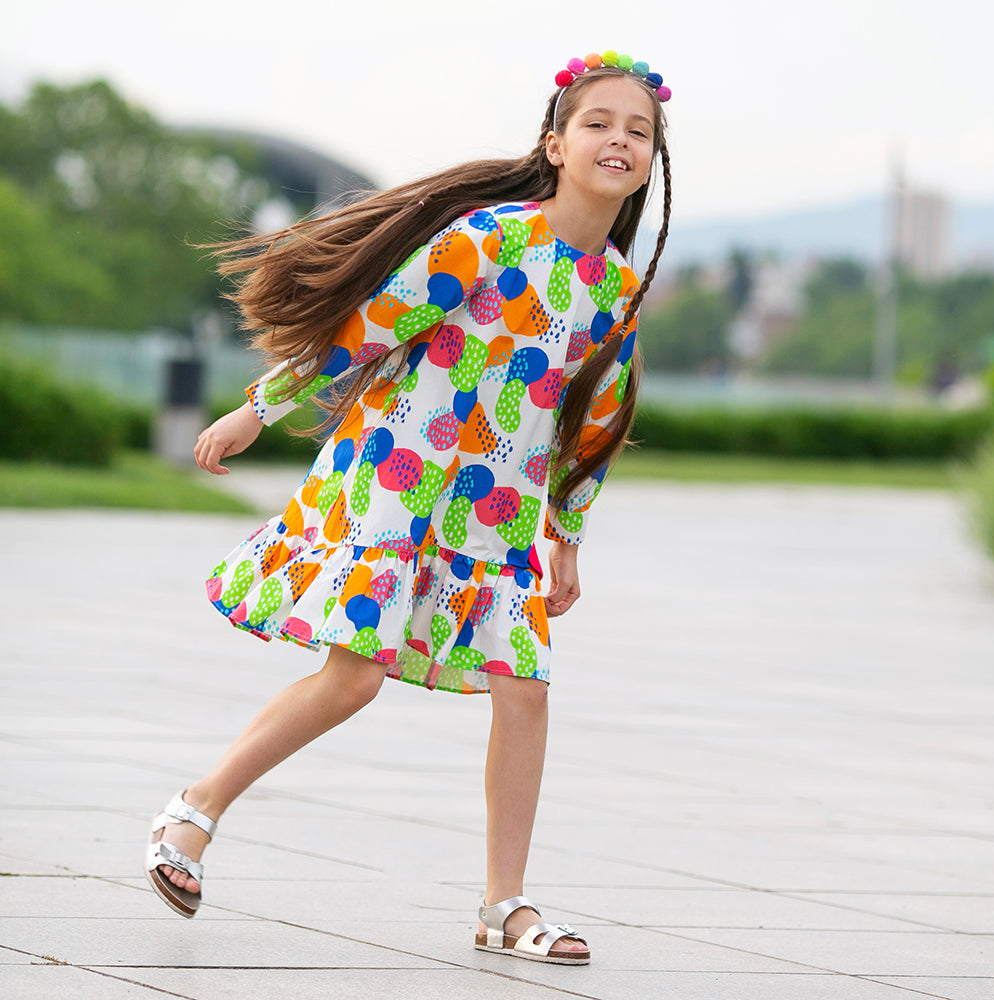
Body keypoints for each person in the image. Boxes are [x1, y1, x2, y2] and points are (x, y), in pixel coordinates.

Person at [144, 50, 671, 966]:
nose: (618, 140)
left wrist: (569, 541)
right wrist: (253, 411)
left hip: (497, 511)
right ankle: (193, 811)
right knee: (354, 675)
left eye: (639, 130)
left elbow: (590, 425)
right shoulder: (485, 240)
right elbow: (363, 331)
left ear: (650, 160)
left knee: (527, 689)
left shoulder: (618, 292)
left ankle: (504, 904)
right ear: (555, 144)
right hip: (395, 478)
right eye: (598, 123)